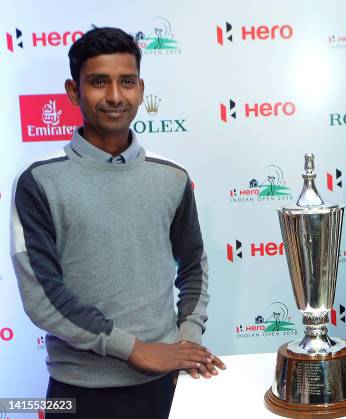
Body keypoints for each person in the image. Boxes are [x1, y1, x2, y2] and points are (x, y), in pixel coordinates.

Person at [10, 27, 225, 419]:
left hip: (164, 385)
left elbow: (194, 266)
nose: (114, 96)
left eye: (126, 82)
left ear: (140, 90)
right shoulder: (39, 182)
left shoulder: (171, 177)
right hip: (77, 392)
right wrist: (135, 349)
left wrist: (184, 343)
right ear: (74, 92)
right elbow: (42, 297)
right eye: (98, 82)